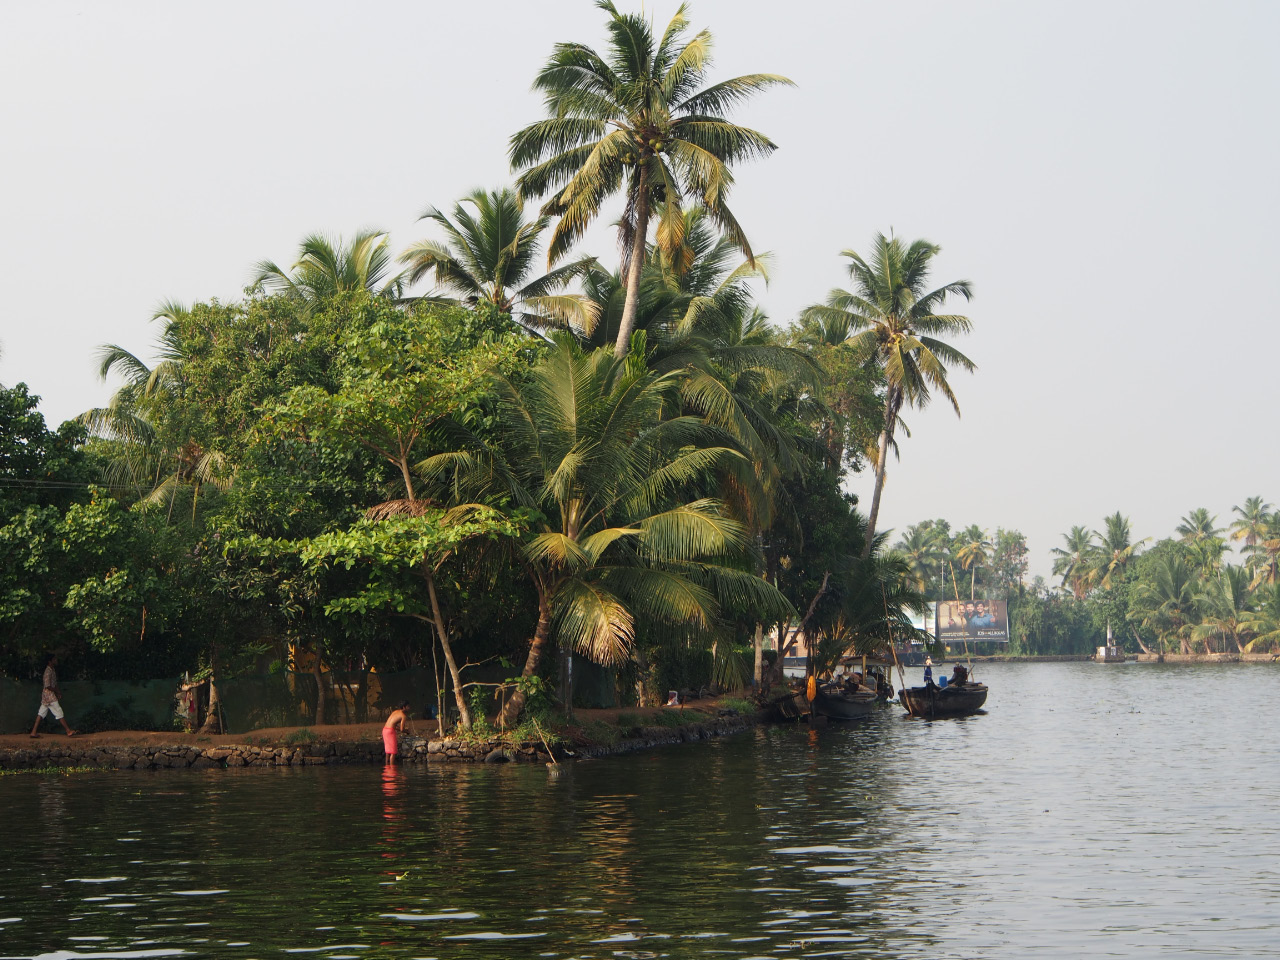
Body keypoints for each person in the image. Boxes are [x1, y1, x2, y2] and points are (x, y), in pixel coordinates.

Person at [30, 653, 76, 739]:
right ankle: (68, 731)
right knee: (58, 711)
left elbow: (54, 684)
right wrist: (56, 691)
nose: (56, 660)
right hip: (49, 695)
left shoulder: (52, 670)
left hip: (48, 695)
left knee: (41, 713)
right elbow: (48, 686)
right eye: (54, 659)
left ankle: (33, 732)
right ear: (50, 661)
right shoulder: (48, 671)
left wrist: (58, 692)